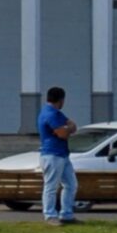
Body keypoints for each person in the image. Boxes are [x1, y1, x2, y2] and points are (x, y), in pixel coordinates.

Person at [36, 84, 78, 224]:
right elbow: (63, 134)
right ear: (61, 100)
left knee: (71, 184)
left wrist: (67, 127)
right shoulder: (51, 114)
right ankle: (49, 215)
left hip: (63, 154)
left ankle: (66, 214)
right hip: (52, 154)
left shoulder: (56, 113)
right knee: (51, 186)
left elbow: (72, 126)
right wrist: (67, 128)